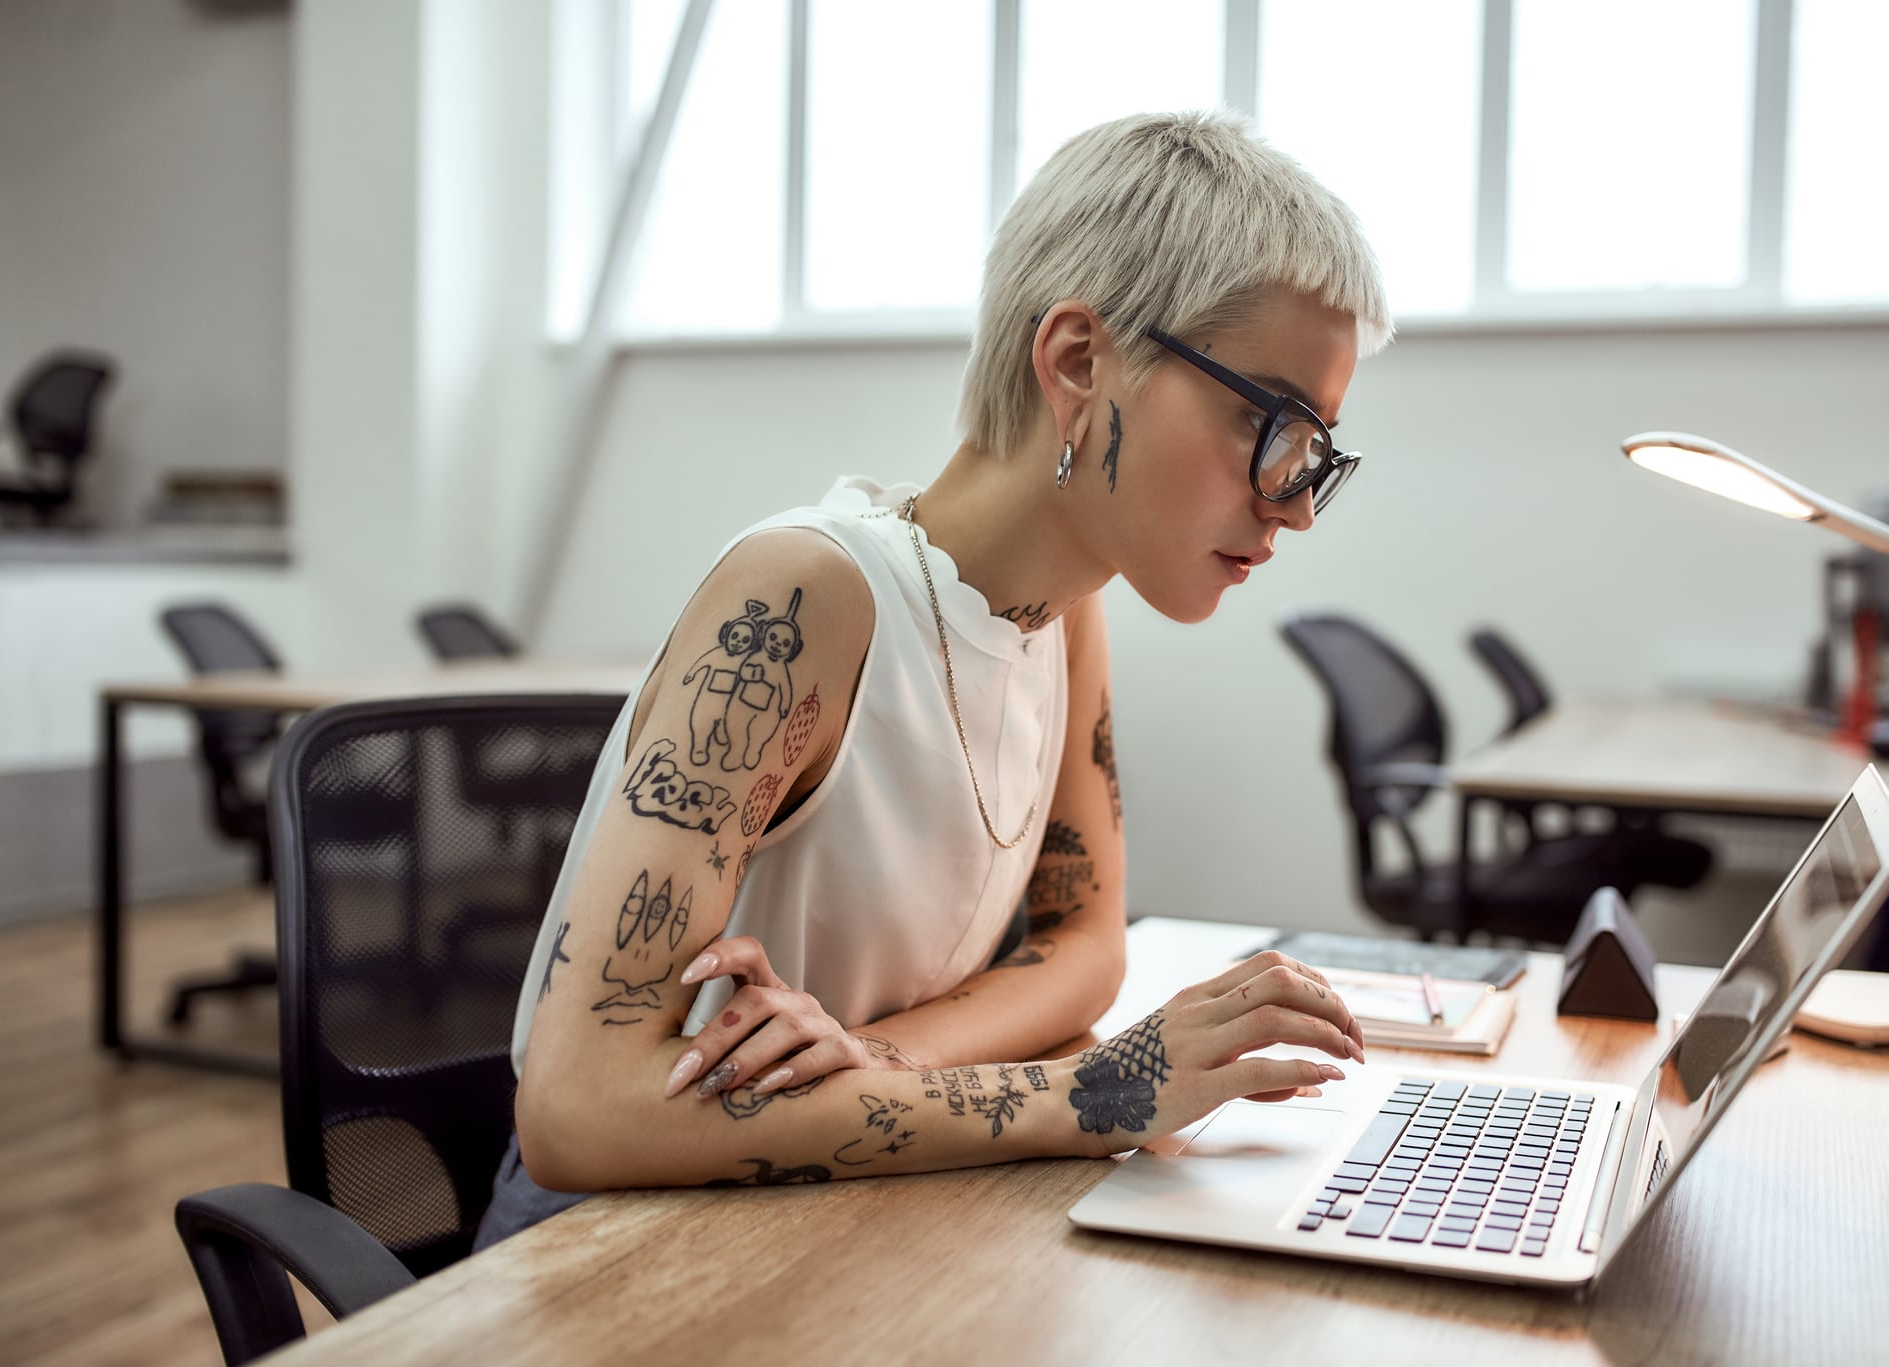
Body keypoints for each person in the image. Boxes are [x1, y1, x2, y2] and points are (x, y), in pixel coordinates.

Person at [480, 110, 1391, 1240]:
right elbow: (576, 1109)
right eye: (1271, 425)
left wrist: (875, 1062)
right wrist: (1097, 1091)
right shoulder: (801, 596)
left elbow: (1083, 945)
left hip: (827, 1205)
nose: (1295, 503)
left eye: (1318, 455)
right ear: (1076, 362)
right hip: (612, 1238)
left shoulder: (1067, 613)